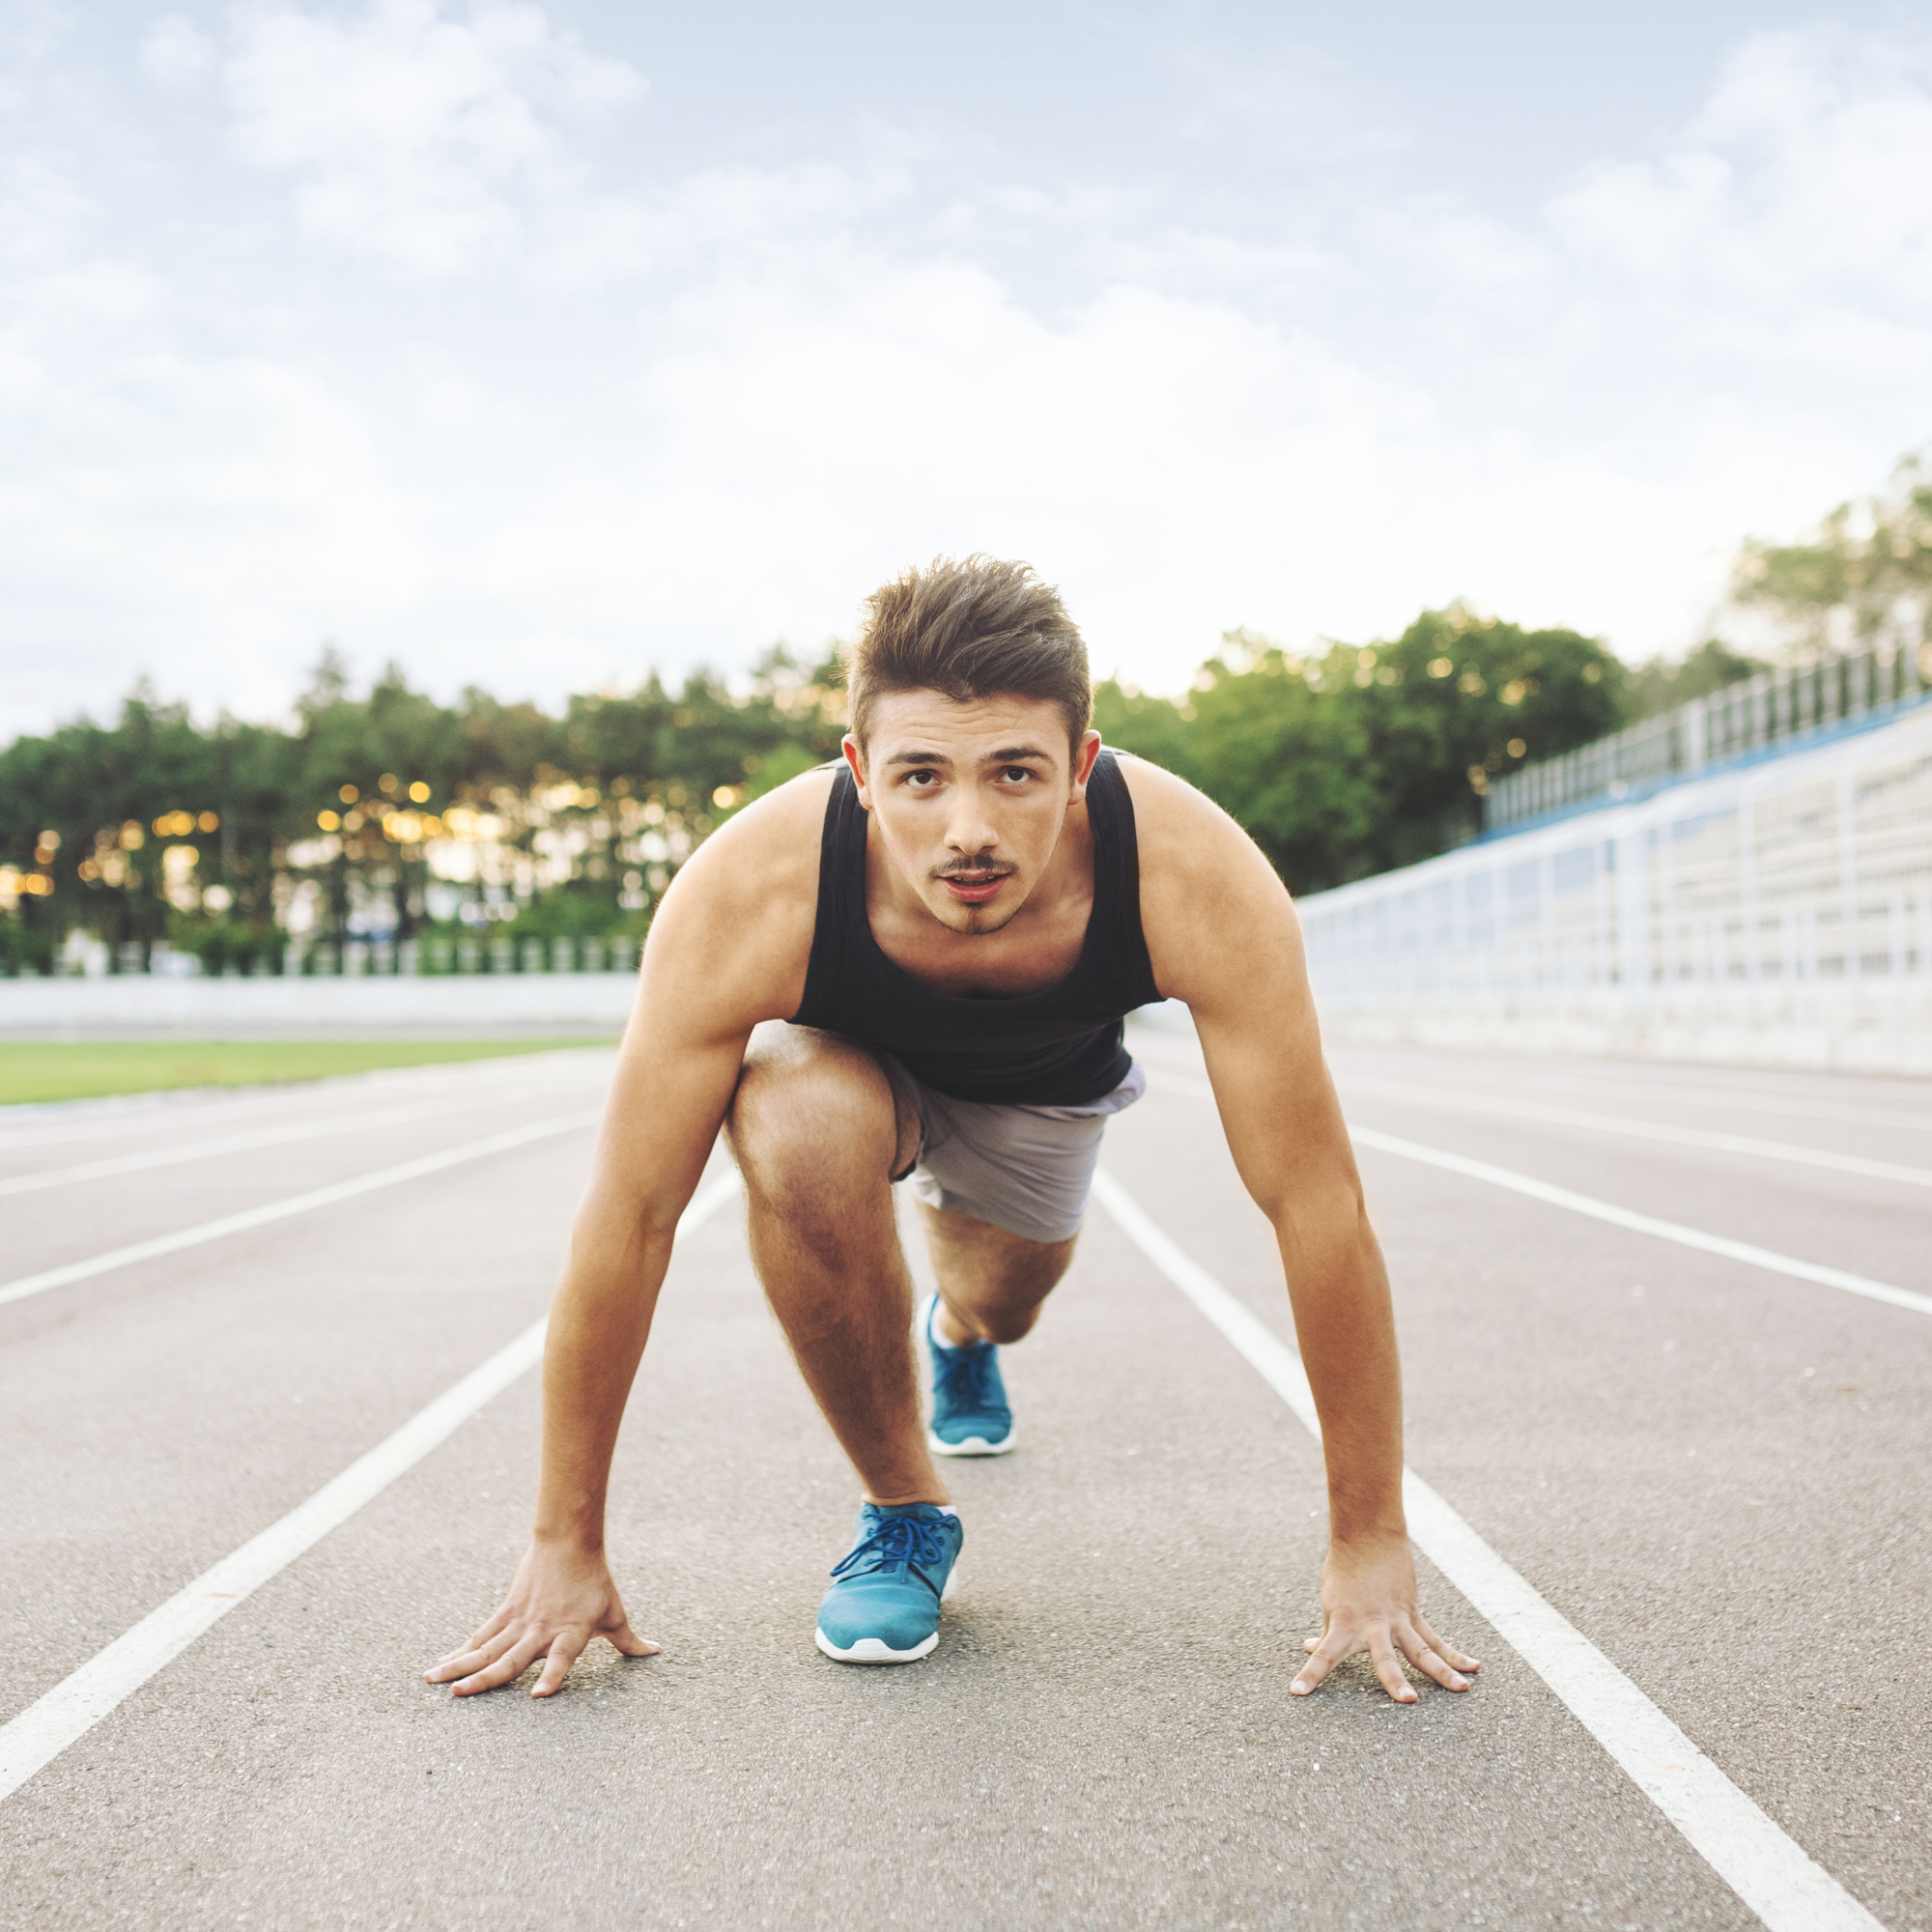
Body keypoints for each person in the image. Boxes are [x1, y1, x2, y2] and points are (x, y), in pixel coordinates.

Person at [427, 555, 1479, 1704]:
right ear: (860, 774)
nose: (967, 829)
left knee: (1002, 1297)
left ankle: (961, 1326)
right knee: (786, 1108)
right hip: (854, 1081)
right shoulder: (750, 890)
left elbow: (1314, 1202)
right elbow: (630, 1214)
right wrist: (564, 1541)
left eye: (1014, 773)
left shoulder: (1190, 871)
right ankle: (903, 1511)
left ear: (1079, 765)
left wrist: (1369, 1537)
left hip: (1042, 1101)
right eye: (920, 776)